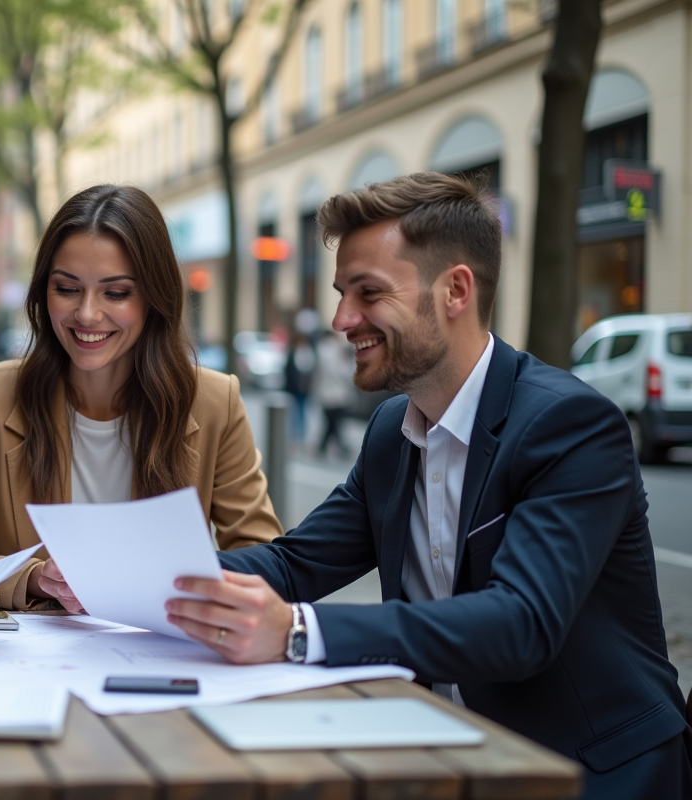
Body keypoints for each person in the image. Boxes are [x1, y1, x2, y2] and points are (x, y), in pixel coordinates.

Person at [163, 173, 690, 799]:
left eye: (368, 293)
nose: (341, 319)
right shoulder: (392, 430)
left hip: (590, 774)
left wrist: (298, 632)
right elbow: (296, 560)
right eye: (341, 294)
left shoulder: (570, 425)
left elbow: (521, 623)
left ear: (455, 291)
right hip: (440, 756)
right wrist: (146, 580)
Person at [0, 184, 282, 612]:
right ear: (42, 292)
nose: (87, 314)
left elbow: (265, 563)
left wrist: (176, 582)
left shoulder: (215, 401)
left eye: (116, 293)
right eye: (67, 288)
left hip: (166, 652)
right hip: (30, 661)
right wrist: (32, 578)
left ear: (154, 298)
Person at [312, 330, 356, 458]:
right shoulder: (331, 350)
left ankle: (323, 446)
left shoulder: (323, 349)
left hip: (328, 393)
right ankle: (341, 447)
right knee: (334, 422)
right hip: (334, 394)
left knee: (331, 422)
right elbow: (339, 372)